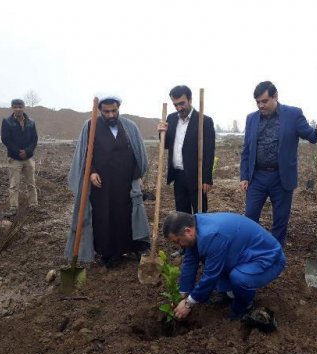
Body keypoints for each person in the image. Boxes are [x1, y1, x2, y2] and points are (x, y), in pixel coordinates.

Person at [65, 95, 150, 268]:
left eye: (114, 111)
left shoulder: (129, 126)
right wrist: (92, 172)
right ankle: (107, 253)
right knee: (103, 216)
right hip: (101, 183)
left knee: (125, 214)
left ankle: (127, 248)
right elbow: (86, 154)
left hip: (125, 181)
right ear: (100, 110)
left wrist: (137, 176)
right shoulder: (90, 126)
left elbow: (137, 152)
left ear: (118, 109)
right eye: (106, 112)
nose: (111, 115)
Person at [240, 81, 317, 246]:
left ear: (275, 97)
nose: (260, 105)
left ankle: (275, 255)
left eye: (264, 101)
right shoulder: (251, 118)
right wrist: (244, 176)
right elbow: (246, 149)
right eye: (258, 102)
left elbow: (311, 136)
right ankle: (249, 250)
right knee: (250, 217)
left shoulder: (293, 115)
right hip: (257, 177)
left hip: (281, 178)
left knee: (280, 220)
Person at [163, 211, 286, 320]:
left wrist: (188, 304)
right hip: (243, 253)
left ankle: (244, 307)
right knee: (214, 258)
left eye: (178, 241)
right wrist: (183, 293)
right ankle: (228, 292)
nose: (179, 245)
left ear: (187, 231)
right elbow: (190, 261)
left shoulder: (211, 235)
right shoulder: (194, 227)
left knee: (239, 278)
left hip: (268, 258)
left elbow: (211, 274)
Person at [157, 85, 215, 213]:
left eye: (182, 103)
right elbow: (166, 145)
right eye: (175, 104)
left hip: (196, 176)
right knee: (182, 214)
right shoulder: (171, 119)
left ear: (190, 100)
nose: (179, 108)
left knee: (200, 214)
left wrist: (207, 178)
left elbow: (209, 152)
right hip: (178, 175)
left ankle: (201, 234)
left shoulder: (204, 121)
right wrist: (161, 133)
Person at [1, 99, 39, 216]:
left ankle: (34, 204)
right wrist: (17, 151)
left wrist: (28, 151)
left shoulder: (31, 122)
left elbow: (34, 139)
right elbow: (5, 139)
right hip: (14, 158)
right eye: (15, 107)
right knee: (14, 184)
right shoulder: (7, 122)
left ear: (24, 107)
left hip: (28, 158)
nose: (18, 109)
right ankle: (13, 208)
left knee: (31, 183)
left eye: (20, 106)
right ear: (12, 107)